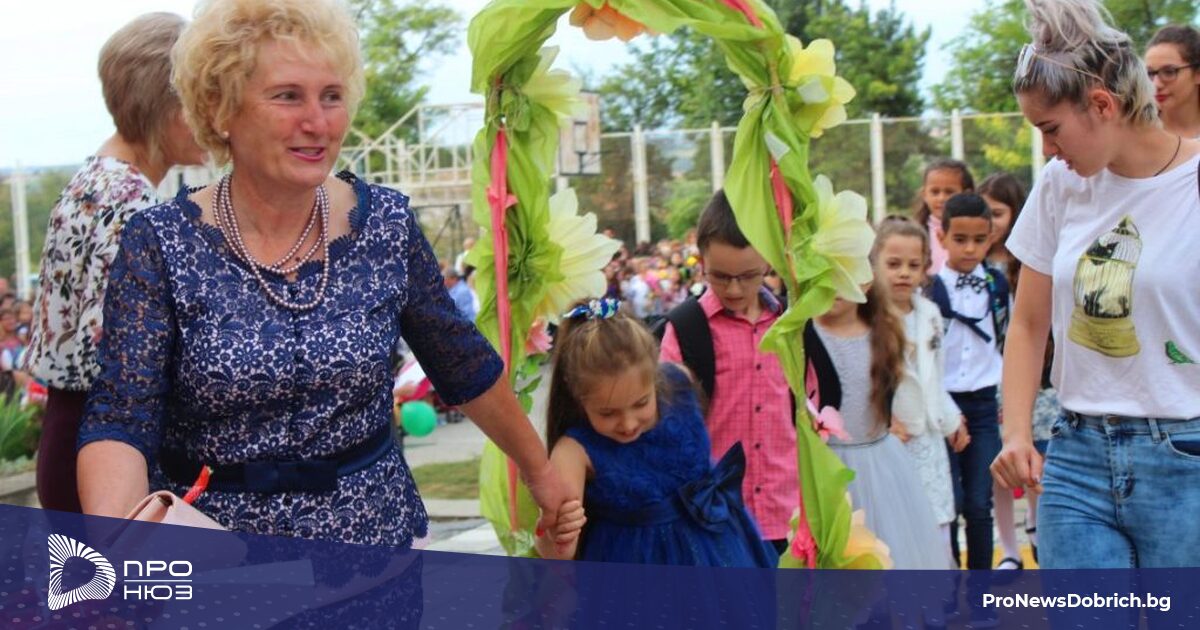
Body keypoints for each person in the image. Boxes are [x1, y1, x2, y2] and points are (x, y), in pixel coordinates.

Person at [75, 0, 570, 547]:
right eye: (288, 96)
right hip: (217, 561)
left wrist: (541, 473)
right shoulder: (160, 242)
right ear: (220, 109)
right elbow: (122, 416)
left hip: (373, 547)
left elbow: (461, 362)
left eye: (331, 96)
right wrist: (114, 550)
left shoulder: (385, 225)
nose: (317, 122)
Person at [992, 0, 1200, 569]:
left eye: (1051, 129)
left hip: (1185, 461)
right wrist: (1016, 434)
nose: (1047, 149)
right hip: (1075, 457)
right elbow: (1028, 324)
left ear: (1103, 104)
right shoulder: (1060, 185)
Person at [19, 13, 207, 514]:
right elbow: (115, 359)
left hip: (72, 440)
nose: (214, 117)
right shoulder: (132, 205)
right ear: (166, 106)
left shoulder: (93, 181)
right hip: (104, 458)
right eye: (201, 97)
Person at [535, 299, 776, 567]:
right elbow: (556, 552)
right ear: (578, 396)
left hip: (722, 551)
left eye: (641, 403)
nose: (628, 423)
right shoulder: (572, 452)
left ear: (655, 377)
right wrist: (560, 533)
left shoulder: (680, 384)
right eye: (607, 413)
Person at [658, 190, 801, 554]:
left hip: (786, 514)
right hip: (714, 517)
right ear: (701, 260)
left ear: (768, 258)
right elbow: (667, 424)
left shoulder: (792, 324)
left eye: (748, 275)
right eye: (720, 276)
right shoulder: (685, 329)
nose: (734, 289)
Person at [807, 284, 948, 571]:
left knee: (889, 551)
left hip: (881, 464)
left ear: (865, 281)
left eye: (842, 278)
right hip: (827, 466)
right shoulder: (804, 334)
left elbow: (902, 389)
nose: (833, 286)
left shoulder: (883, 333)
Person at [872, 217, 968, 566]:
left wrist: (952, 418)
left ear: (926, 266)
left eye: (913, 265)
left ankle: (936, 592)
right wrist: (883, 421)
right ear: (875, 263)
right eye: (893, 264)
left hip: (929, 437)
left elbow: (936, 376)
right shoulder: (870, 318)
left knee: (937, 522)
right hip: (891, 438)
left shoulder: (930, 313)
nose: (903, 273)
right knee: (896, 525)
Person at [924, 193, 1010, 575]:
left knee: (979, 503)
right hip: (941, 405)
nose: (970, 249)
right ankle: (947, 587)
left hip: (984, 406)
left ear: (991, 237)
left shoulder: (997, 285)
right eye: (960, 239)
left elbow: (1008, 340)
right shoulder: (929, 290)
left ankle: (979, 593)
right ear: (942, 237)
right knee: (949, 502)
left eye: (979, 239)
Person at [913, 159, 975, 274]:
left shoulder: (977, 232)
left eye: (949, 192)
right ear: (924, 194)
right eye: (935, 192)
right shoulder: (915, 234)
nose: (941, 198)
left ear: (967, 194)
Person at [1145, 25, 1200, 139]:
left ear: (1197, 74)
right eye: (1150, 73)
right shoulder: (1139, 133)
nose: (1156, 84)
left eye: (1169, 72)